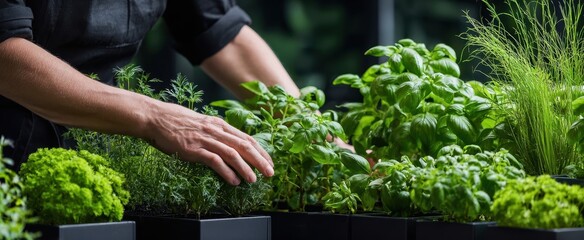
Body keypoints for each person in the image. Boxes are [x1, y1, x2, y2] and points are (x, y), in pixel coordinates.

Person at [0, 0, 302, 186]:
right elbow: (5, 54)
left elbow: (218, 27)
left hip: (96, 155)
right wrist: (153, 116)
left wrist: (305, 122)